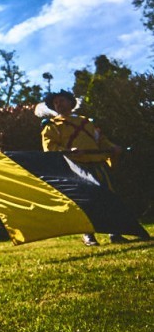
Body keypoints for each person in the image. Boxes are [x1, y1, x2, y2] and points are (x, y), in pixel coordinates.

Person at [38, 89, 124, 246]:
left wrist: (113, 148)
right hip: (76, 167)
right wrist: (67, 152)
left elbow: (101, 141)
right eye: (56, 103)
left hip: (97, 165)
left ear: (71, 102)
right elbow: (49, 147)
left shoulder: (87, 122)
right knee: (86, 200)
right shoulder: (52, 126)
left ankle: (115, 233)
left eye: (62, 101)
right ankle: (88, 235)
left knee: (108, 197)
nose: (59, 105)